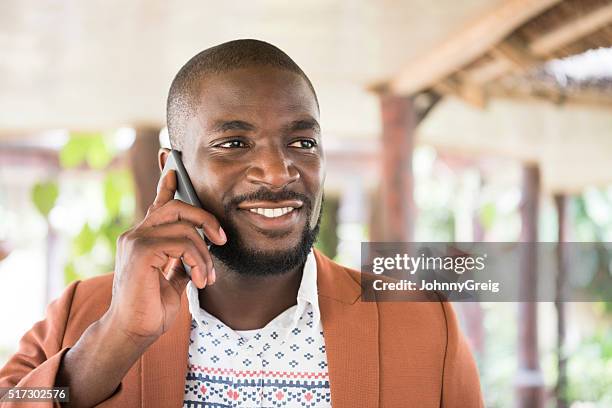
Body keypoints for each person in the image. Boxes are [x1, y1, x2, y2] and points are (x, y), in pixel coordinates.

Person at [0, 39, 483, 408]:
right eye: (233, 144)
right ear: (174, 170)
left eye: (302, 142)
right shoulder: (83, 314)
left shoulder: (421, 322)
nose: (278, 172)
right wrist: (118, 337)